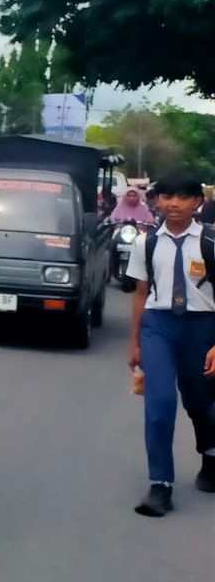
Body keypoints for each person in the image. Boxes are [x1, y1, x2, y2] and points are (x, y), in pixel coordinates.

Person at [125, 170, 215, 517]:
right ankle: (160, 485)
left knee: (201, 402)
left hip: (202, 327)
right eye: (166, 197)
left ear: (197, 202)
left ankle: (210, 453)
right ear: (157, 201)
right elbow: (141, 294)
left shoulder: (209, 242)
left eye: (182, 197)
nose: (173, 204)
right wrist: (135, 343)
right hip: (159, 327)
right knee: (159, 405)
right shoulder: (145, 242)